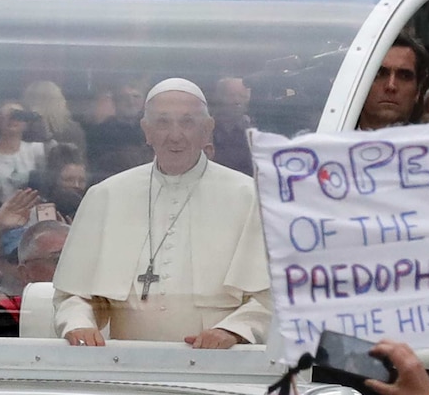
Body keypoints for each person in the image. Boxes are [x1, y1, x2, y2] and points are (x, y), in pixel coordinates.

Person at [53, 77, 272, 348]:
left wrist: (234, 330)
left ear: (208, 129)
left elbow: (270, 298)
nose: (175, 135)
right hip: (127, 365)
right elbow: (74, 295)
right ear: (146, 130)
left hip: (220, 365)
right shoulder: (106, 196)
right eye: (163, 122)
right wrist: (79, 324)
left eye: (188, 122)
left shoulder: (250, 198)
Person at [357, 33, 428, 130]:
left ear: (418, 90)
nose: (391, 86)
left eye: (404, 76)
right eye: (379, 74)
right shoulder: (331, 140)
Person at [211, 77, 253, 176]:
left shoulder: (254, 133)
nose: (237, 101)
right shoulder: (203, 129)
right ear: (219, 97)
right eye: (231, 95)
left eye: (243, 96)